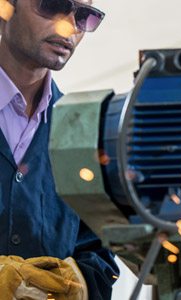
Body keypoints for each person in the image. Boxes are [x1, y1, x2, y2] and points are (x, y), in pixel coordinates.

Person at [0, 0, 118, 299]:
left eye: (83, 15)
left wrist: (80, 282)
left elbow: (99, 252)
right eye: (52, 4)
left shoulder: (81, 130)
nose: (69, 27)